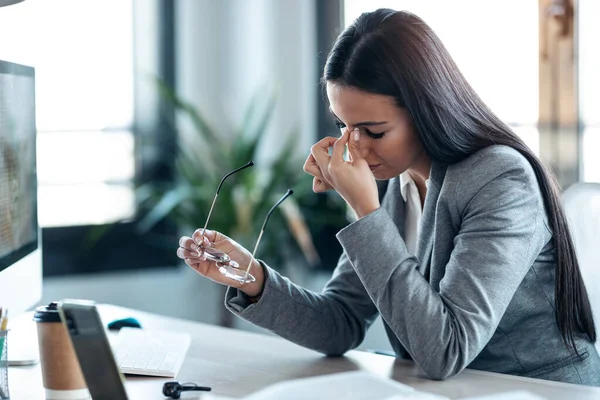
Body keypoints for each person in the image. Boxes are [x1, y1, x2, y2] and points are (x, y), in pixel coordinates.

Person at [176, 9, 600, 386]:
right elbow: (340, 322)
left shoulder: (500, 179)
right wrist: (250, 277)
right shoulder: (401, 184)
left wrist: (364, 210)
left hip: (540, 391)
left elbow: (445, 350)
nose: (354, 146)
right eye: (343, 125)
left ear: (427, 108)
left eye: (374, 131)